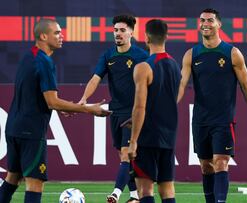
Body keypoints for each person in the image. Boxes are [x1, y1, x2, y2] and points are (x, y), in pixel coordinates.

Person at [0, 18, 111, 203]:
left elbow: (38, 96)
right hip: (31, 132)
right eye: (57, 33)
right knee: (35, 184)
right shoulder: (45, 62)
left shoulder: (28, 57)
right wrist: (89, 109)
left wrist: (60, 106)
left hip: (14, 128)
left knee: (13, 177)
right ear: (43, 36)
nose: (62, 36)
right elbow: (52, 102)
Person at [177, 8, 247, 203]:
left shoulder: (232, 53)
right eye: (202, 20)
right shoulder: (191, 54)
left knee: (221, 162)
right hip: (200, 119)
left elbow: (245, 85)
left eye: (210, 20)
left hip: (223, 119)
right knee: (206, 166)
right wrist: (170, 104)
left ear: (219, 24)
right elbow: (182, 84)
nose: (205, 23)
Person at [78, 15, 148, 203]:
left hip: (133, 113)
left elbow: (152, 83)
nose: (118, 33)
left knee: (126, 154)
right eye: (116, 30)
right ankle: (134, 196)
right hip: (115, 112)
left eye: (122, 30)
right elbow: (95, 78)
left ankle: (116, 193)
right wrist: (84, 99)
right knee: (122, 154)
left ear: (132, 33)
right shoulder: (108, 55)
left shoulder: (142, 56)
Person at [128, 19, 181, 203]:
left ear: (146, 37)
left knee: (145, 189)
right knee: (167, 189)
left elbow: (140, 106)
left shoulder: (143, 67)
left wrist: (133, 141)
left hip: (148, 136)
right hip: (168, 135)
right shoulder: (176, 66)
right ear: (166, 37)